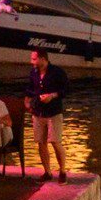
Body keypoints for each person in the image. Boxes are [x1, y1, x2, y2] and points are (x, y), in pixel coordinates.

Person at [25, 49, 69, 182]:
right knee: (41, 142)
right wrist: (27, 101)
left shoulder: (57, 72)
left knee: (55, 142)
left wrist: (52, 96)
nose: (31, 61)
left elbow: (65, 90)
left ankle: (62, 171)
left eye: (34, 59)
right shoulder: (34, 72)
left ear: (43, 59)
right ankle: (47, 172)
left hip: (53, 112)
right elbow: (30, 88)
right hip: (38, 112)